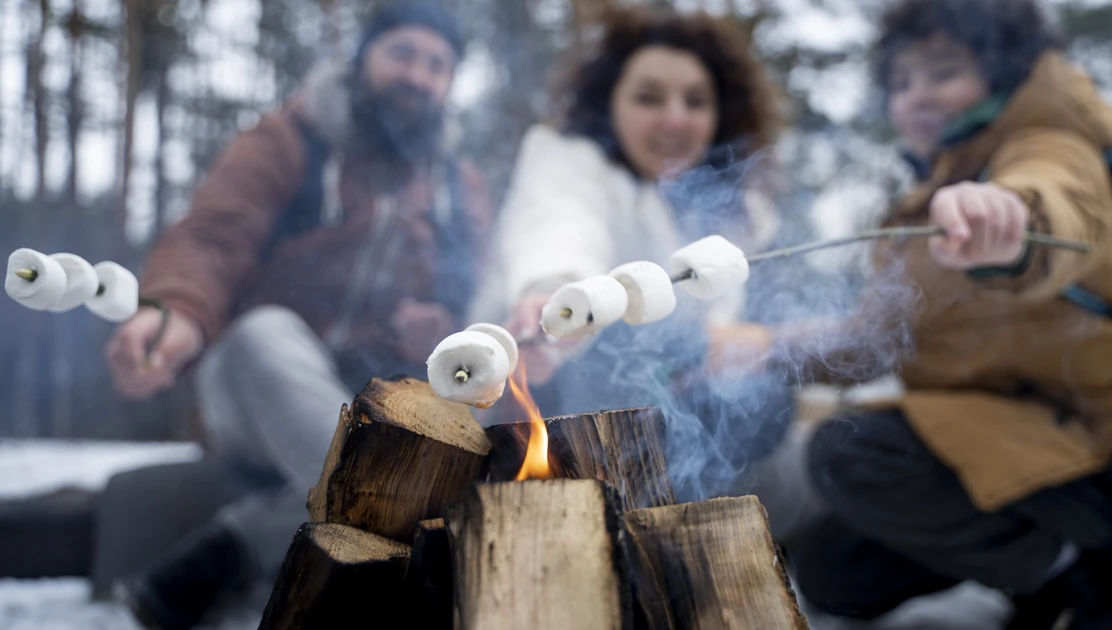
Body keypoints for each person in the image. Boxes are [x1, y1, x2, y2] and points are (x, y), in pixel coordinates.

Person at [752, 1, 1112, 628]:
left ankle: (1076, 573)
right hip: (993, 453)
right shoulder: (923, 202)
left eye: (944, 72)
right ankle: (1035, 567)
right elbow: (872, 343)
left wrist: (1011, 219)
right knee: (831, 571)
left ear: (1000, 69)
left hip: (1090, 458)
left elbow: (1055, 200)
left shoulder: (1048, 144)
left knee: (850, 449)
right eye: (901, 82)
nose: (918, 95)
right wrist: (759, 348)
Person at [101, 3, 491, 628]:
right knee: (265, 334)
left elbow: (476, 302)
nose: (418, 75)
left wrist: (443, 329)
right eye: (402, 54)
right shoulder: (290, 140)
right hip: (260, 391)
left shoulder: (455, 185)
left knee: (475, 419)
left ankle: (236, 547)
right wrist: (177, 311)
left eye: (436, 65)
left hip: (376, 400)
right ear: (362, 57)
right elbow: (212, 237)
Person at [471, 6, 791, 500]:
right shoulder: (569, 159)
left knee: (762, 398)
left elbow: (711, 337)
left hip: (661, 413)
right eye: (648, 97)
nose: (675, 119)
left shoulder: (727, 215)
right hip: (544, 392)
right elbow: (558, 222)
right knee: (617, 347)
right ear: (610, 103)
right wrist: (552, 292)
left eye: (696, 101)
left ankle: (661, 519)